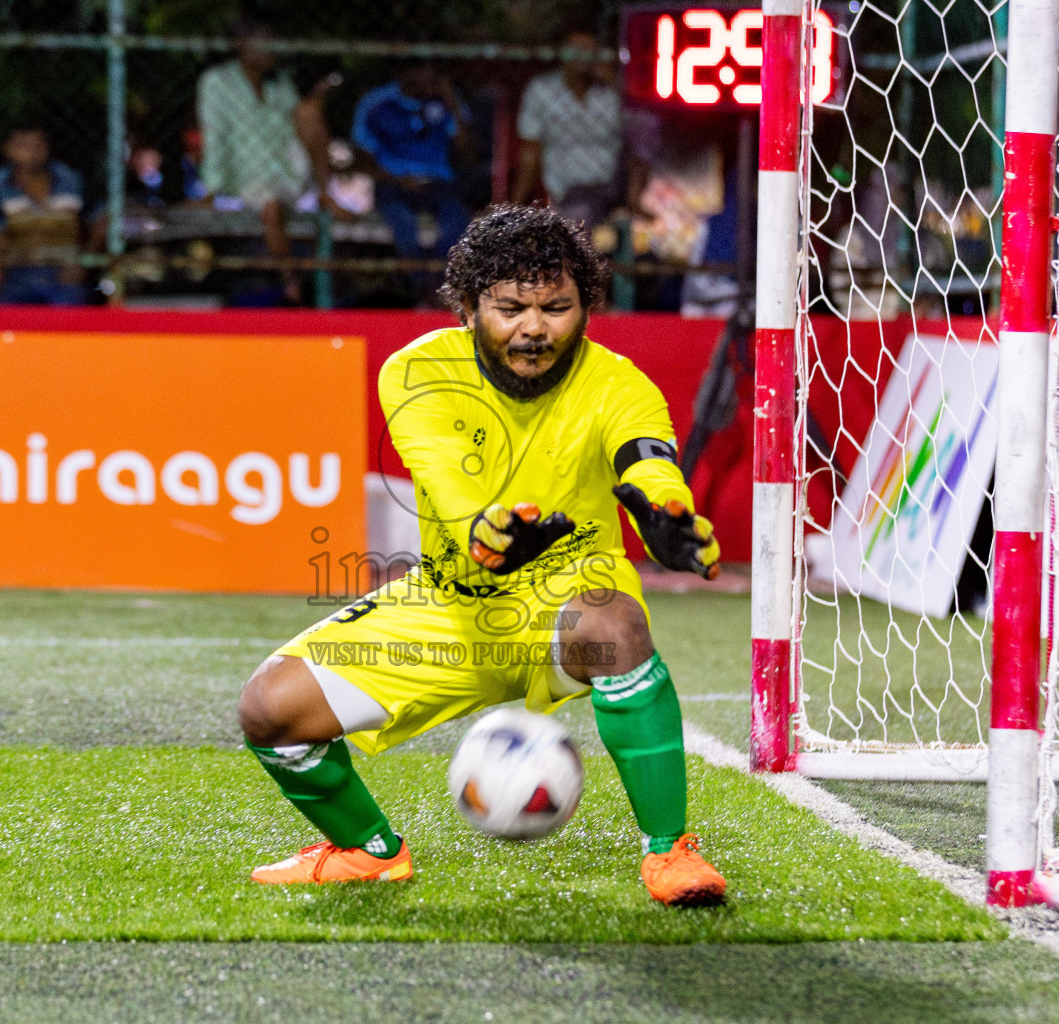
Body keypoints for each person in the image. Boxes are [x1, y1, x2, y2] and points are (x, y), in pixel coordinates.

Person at [238, 204, 728, 907]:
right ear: (469, 308)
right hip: (449, 606)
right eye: (511, 308)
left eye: (557, 307)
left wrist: (665, 516)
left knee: (613, 628)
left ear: (586, 306)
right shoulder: (417, 373)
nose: (535, 327)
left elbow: (648, 464)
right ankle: (366, 850)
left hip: (568, 597)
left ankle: (670, 853)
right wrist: (488, 535)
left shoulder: (620, 385)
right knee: (269, 707)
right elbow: (449, 484)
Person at [197, 19, 335, 304]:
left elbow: (300, 125)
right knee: (270, 205)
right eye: (265, 41)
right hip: (245, 178)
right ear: (242, 45)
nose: (273, 49)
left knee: (309, 113)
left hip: (287, 169)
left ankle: (326, 193)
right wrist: (212, 189)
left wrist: (316, 102)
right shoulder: (217, 82)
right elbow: (215, 137)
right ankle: (290, 281)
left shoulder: (280, 83)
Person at [352, 63, 473, 300]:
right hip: (393, 182)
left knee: (455, 220)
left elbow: (469, 152)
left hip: (438, 183)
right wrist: (397, 179)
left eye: (435, 72)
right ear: (406, 71)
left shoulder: (446, 101)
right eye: (424, 70)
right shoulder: (377, 103)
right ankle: (418, 289)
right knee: (403, 223)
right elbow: (361, 160)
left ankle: (439, 289)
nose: (431, 78)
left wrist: (453, 104)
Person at [511, 31, 646, 228]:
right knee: (578, 211)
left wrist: (617, 84)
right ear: (562, 53)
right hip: (565, 194)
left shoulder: (613, 93)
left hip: (612, 186)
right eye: (574, 48)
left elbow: (644, 131)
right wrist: (515, 206)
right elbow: (530, 153)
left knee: (583, 212)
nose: (581, 54)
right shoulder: (541, 90)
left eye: (587, 49)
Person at [0, 125, 104, 306]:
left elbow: (100, 223)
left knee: (70, 311)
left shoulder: (71, 178)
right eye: (24, 145)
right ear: (7, 149)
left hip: (65, 271)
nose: (33, 152)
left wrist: (82, 263)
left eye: (38, 144)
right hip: (18, 271)